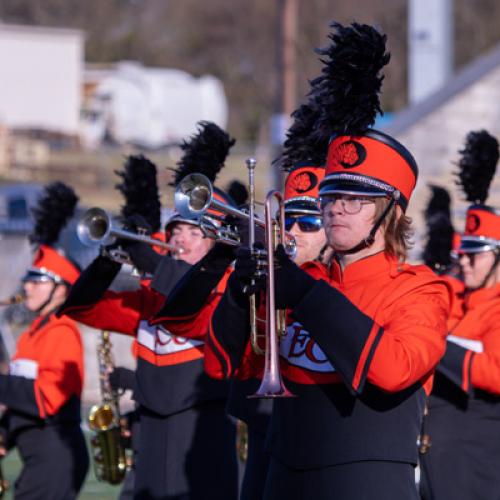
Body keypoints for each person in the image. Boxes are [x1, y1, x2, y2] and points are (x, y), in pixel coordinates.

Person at [201, 22, 451, 499]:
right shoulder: (302, 281)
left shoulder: (418, 288)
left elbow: (394, 369)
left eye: (356, 200)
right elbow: (222, 365)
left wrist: (308, 296)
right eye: (331, 195)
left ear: (391, 214)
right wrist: (238, 293)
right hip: (283, 475)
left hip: (366, 483)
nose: (337, 207)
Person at [59, 122, 239, 500]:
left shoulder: (226, 293)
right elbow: (80, 308)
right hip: (150, 431)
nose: (178, 238)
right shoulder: (149, 299)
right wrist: (109, 259)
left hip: (201, 432)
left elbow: (200, 314)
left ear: (215, 244)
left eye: (193, 232)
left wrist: (155, 265)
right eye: (174, 230)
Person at [419, 130, 500, 500]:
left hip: (477, 454)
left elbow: (497, 376)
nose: (463, 261)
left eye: (474, 255)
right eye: (462, 255)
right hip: (436, 450)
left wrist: (440, 347)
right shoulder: (457, 298)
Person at [0, 182, 89, 499]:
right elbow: (17, 395)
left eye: (38, 281)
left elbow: (46, 398)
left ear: (61, 288)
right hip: (35, 456)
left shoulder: (64, 332)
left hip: (56, 458)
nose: (28, 288)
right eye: (28, 280)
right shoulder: (32, 334)